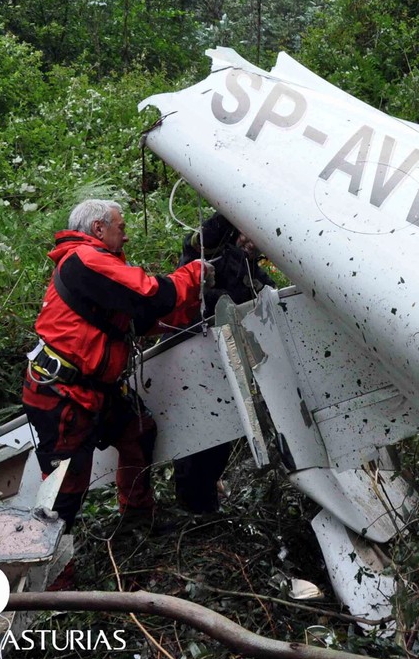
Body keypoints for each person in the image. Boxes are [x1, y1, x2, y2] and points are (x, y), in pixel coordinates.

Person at [22, 198, 211, 530]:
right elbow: (150, 295)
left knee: (138, 432)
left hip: (92, 389)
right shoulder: (86, 259)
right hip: (63, 395)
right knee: (65, 490)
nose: (125, 236)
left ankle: (137, 517)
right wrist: (195, 274)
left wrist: (191, 309)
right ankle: (49, 556)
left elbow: (138, 319)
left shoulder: (92, 266)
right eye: (120, 227)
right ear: (99, 228)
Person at [172, 212, 273, 513]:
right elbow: (203, 240)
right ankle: (194, 507)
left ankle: (204, 502)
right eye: (248, 234)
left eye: (258, 240)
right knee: (197, 440)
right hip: (190, 355)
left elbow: (269, 299)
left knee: (217, 439)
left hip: (220, 365)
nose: (251, 243)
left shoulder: (251, 271)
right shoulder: (210, 250)